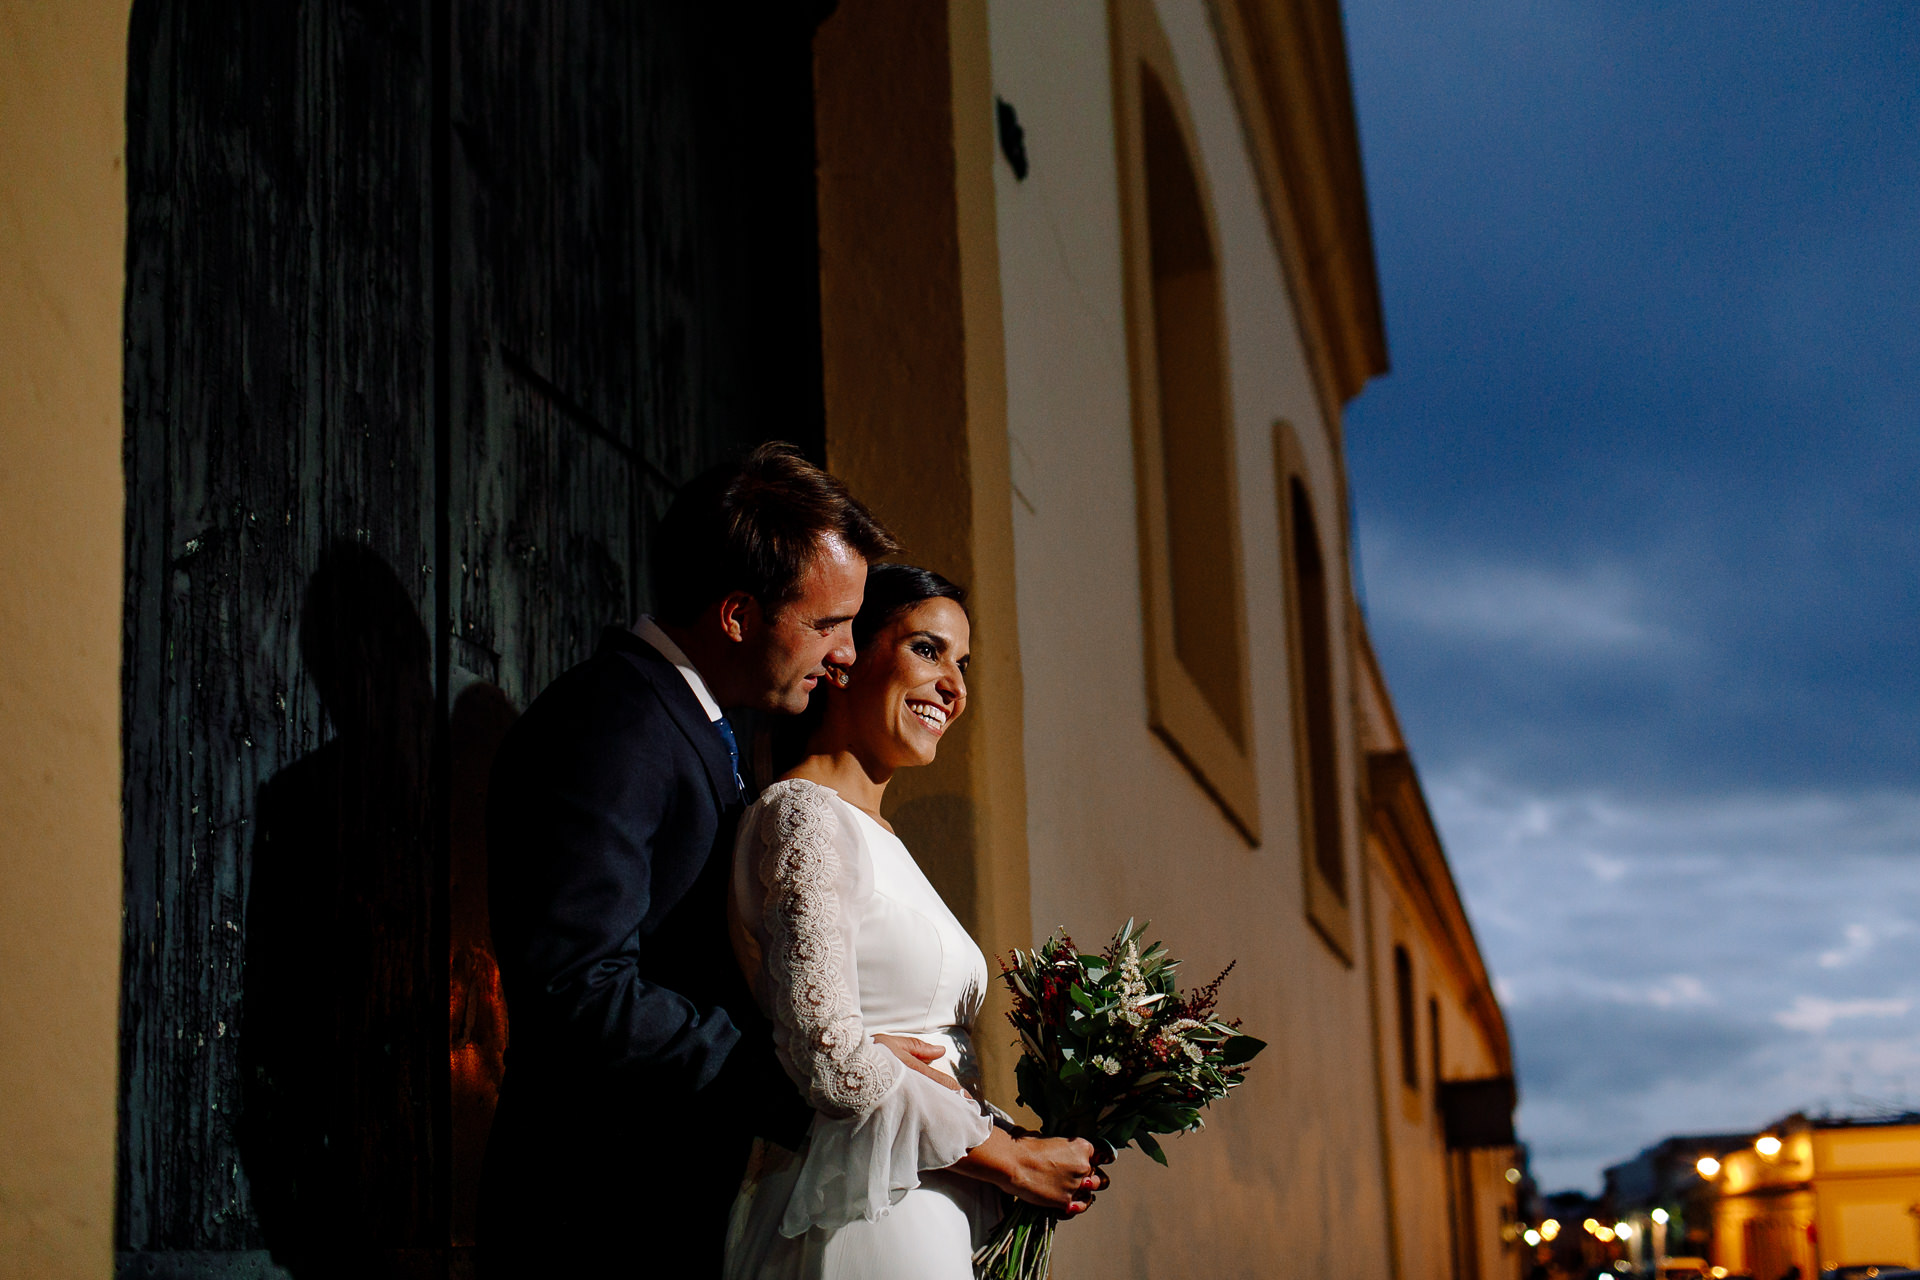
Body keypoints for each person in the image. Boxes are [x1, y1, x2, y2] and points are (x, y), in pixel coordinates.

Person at [478, 443, 911, 1277]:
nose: (849, 653)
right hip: (597, 1218)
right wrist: (801, 1077)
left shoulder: (709, 731)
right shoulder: (615, 722)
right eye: (828, 623)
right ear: (739, 615)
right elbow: (579, 985)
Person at [724, 565, 1109, 1280]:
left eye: (963, 665)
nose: (954, 686)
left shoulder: (883, 841)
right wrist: (1012, 1161)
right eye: (928, 651)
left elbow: (920, 1059)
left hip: (927, 1204)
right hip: (854, 1215)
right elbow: (834, 1062)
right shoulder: (804, 816)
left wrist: (1026, 1139)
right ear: (846, 658)